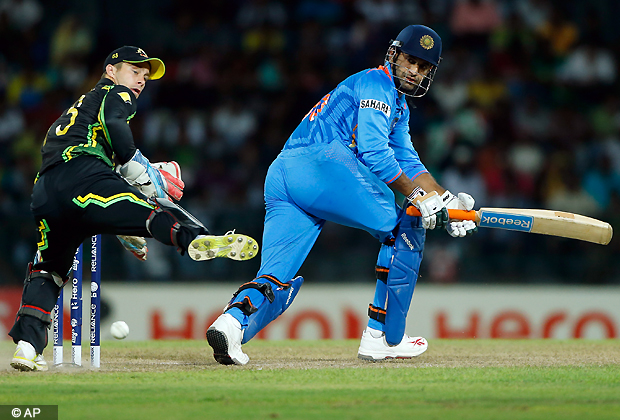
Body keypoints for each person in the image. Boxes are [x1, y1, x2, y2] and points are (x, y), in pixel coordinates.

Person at [205, 25, 477, 365]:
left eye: (424, 67)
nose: (415, 71)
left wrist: (447, 200)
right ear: (394, 54)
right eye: (411, 60)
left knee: (275, 277)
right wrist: (420, 200)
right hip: (322, 166)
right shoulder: (377, 84)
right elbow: (375, 153)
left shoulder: (398, 106)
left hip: (284, 174)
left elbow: (410, 162)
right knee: (404, 228)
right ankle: (383, 337)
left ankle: (230, 325)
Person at [9, 46, 259, 371]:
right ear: (110, 71)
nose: (140, 81)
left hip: (45, 191)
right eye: (134, 71)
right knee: (150, 209)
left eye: (145, 76)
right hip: (84, 177)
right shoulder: (116, 93)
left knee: (49, 270)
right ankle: (193, 236)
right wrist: (138, 169)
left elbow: (82, 169)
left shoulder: (77, 107)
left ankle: (27, 348)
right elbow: (114, 125)